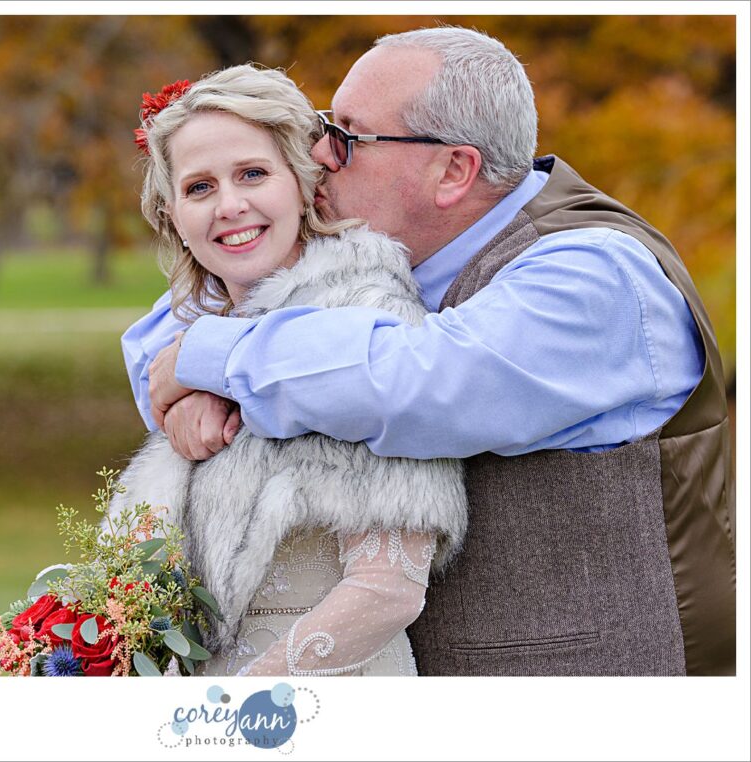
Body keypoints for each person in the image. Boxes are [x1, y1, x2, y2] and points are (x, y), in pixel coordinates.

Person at [126, 27, 735, 676]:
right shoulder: (387, 256)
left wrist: (212, 358)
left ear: (453, 170)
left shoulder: (596, 273)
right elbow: (176, 326)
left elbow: (414, 382)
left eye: (351, 137)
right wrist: (186, 384)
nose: (323, 153)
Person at [110, 64, 468, 676]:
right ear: (172, 215)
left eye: (253, 174)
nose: (229, 206)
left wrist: (238, 709)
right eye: (199, 188)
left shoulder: (367, 316)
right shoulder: (185, 341)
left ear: (304, 183)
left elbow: (388, 588)